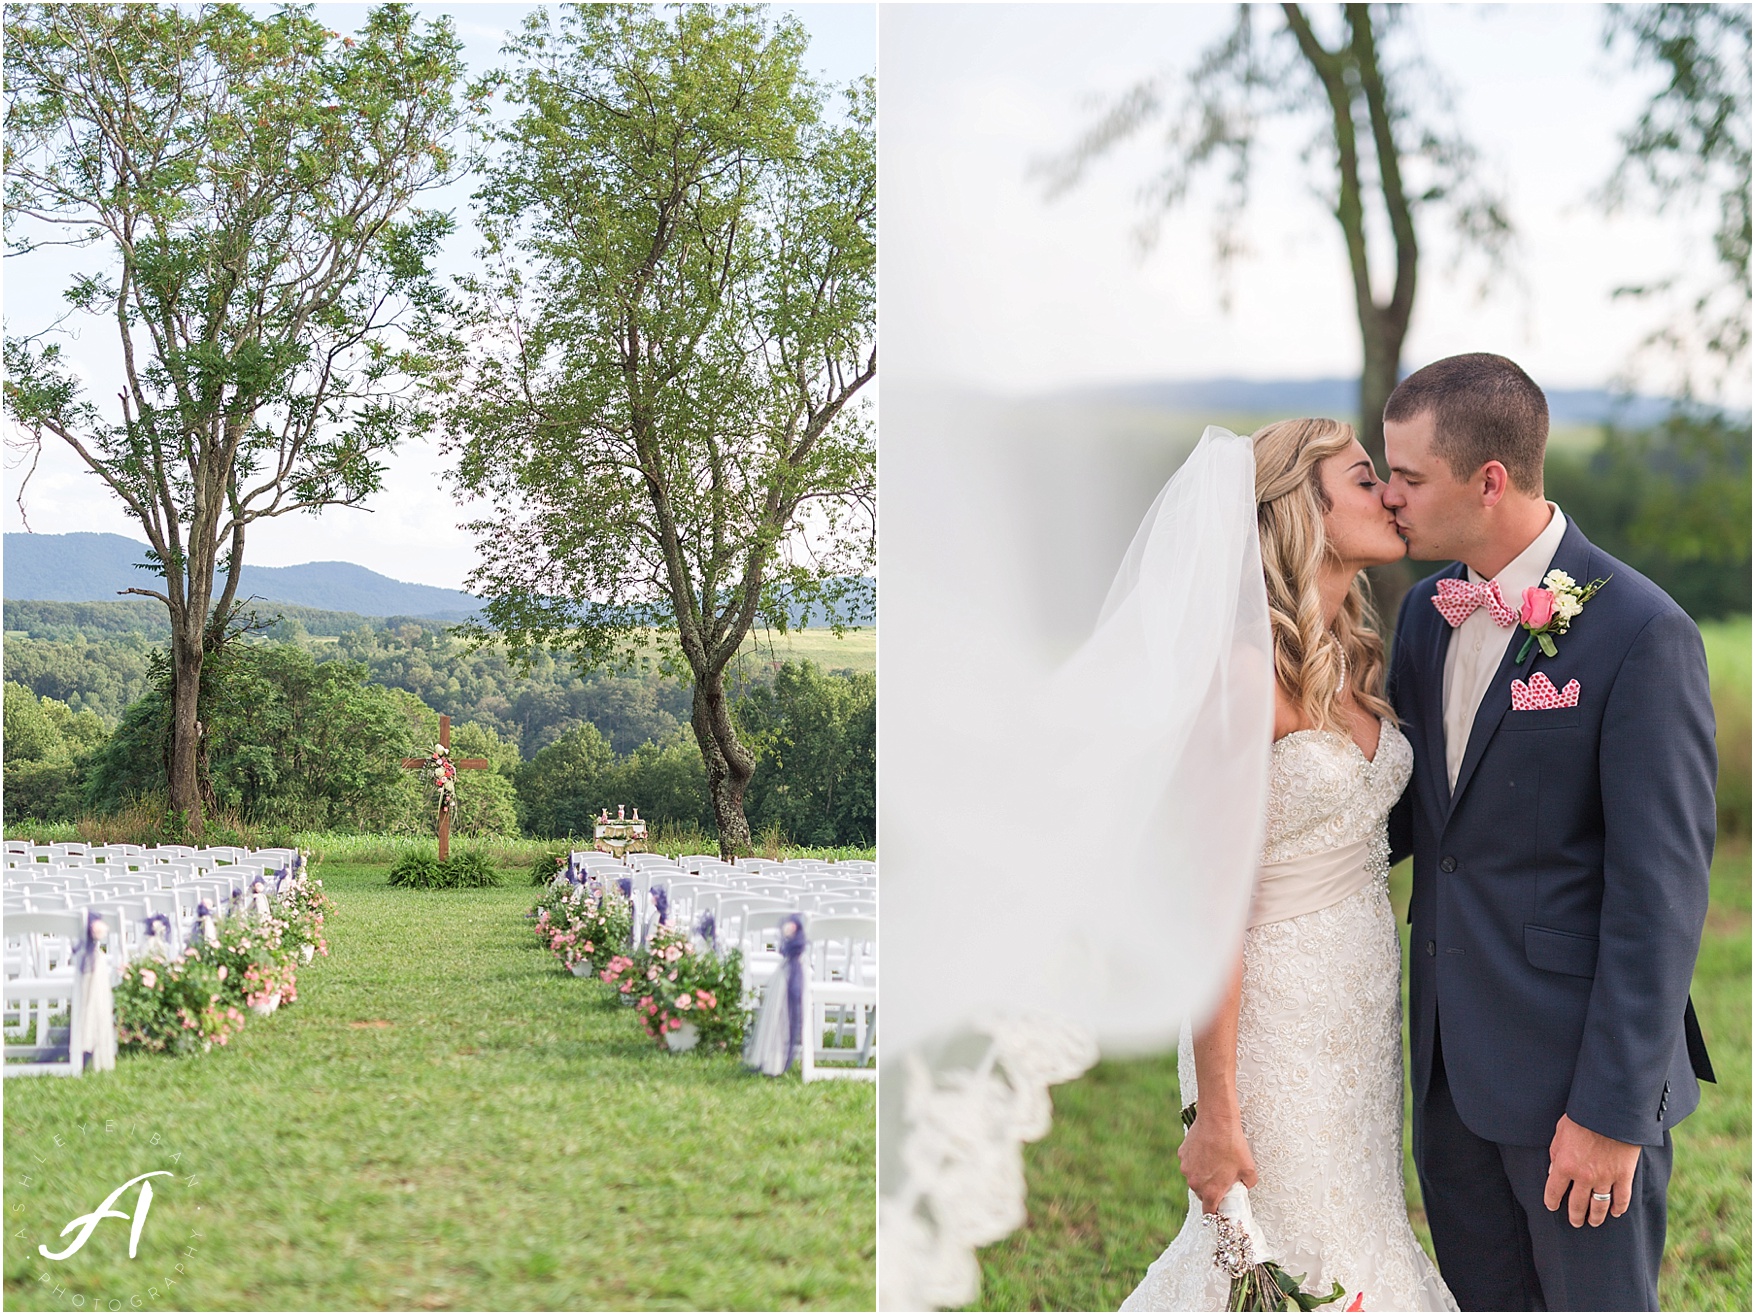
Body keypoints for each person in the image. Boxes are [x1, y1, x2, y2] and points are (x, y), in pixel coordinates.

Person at [1380, 353, 1716, 1312]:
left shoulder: (1642, 635)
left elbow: (1660, 898)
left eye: (1408, 477)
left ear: (1488, 481)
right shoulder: (1423, 616)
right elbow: (1411, 818)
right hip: (1450, 1077)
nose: (1391, 496)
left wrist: (1610, 1114)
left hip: (1577, 1088)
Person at [1123, 417, 1456, 1312]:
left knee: (1359, 1219)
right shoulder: (1239, 672)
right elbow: (1209, 904)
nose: (1388, 492)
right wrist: (1218, 1112)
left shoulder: (1354, 656)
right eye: (1361, 479)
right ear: (1298, 510)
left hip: (1355, 1005)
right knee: (1288, 1238)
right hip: (1269, 1018)